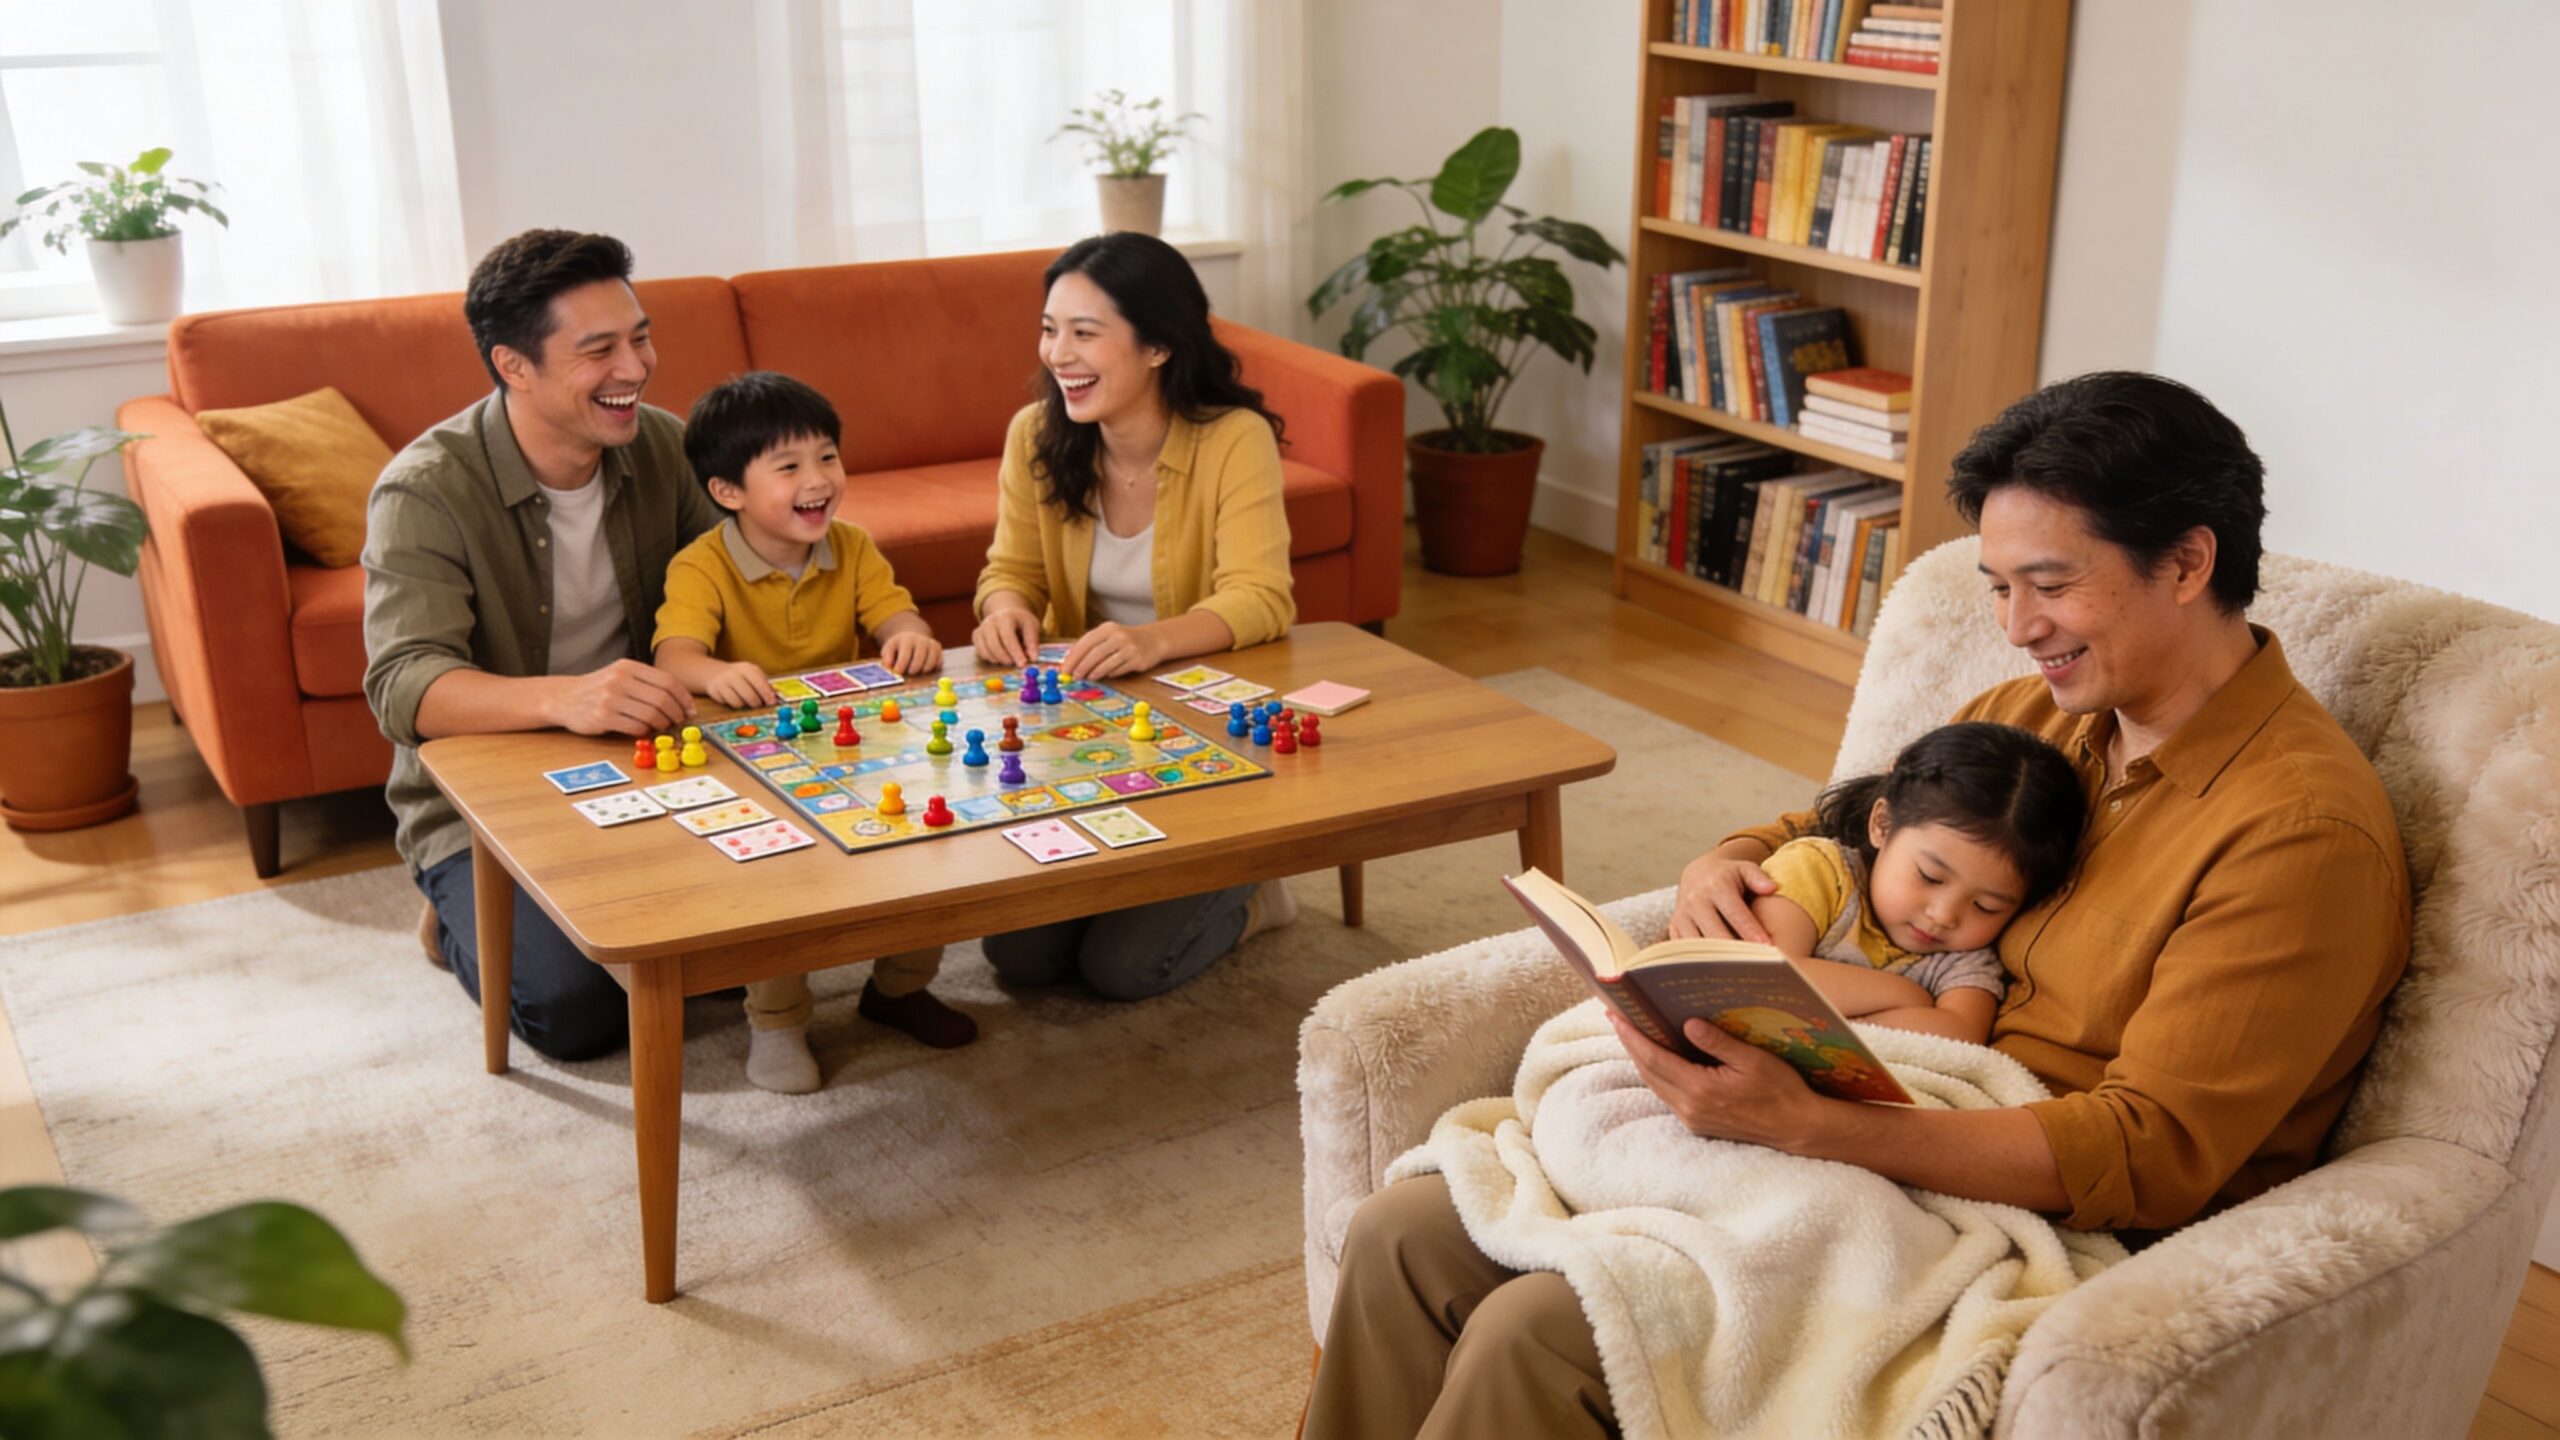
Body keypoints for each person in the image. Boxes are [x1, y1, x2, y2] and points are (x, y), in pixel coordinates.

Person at [1304, 372, 2413, 1439]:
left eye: (2050, 583)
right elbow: (1847, 827)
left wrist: (1812, 1124)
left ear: (2185, 564)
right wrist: (1725, 860)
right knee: (1402, 1231)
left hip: (2003, 1205)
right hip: (1858, 1115)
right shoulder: (2040, 714)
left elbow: (2150, 1153)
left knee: (1545, 1331)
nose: (2017, 625)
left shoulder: (2297, 837)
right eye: (1997, 586)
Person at [365, 229, 717, 1062]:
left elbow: (735, 585)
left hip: (642, 764)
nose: (634, 367)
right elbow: (404, 686)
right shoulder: (425, 489)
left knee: (738, 955)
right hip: (484, 805)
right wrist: (568, 697)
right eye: (599, 350)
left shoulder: (666, 447)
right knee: (579, 1014)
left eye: (640, 337)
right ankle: (450, 917)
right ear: (513, 365)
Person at [968, 232, 1299, 999]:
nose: (1058, 353)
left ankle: (1258, 896)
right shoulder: (1035, 435)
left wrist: (1150, 641)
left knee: (1119, 969)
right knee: (1019, 960)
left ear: (1156, 347)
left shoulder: (1233, 439)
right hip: (1091, 728)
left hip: (1204, 730)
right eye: (1051, 328)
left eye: (1086, 333)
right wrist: (1004, 609)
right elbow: (1008, 571)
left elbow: (1262, 596)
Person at [649, 371, 978, 1091]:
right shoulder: (700, 563)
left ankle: (899, 989)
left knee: (930, 844)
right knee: (778, 884)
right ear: (727, 492)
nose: (818, 479)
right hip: (757, 756)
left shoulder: (853, 547)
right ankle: (777, 1024)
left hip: (858, 742)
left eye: (827, 457)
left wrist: (910, 637)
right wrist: (712, 672)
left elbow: (896, 614)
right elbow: (676, 654)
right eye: (790, 466)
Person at [1756, 721, 2084, 1045]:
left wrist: (1826, 1024)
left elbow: (1959, 1034)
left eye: (1986, 907)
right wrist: (1905, 995)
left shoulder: (1963, 960)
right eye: (1930, 876)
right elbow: (1764, 976)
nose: (1943, 915)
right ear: (1882, 825)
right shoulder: (1818, 869)